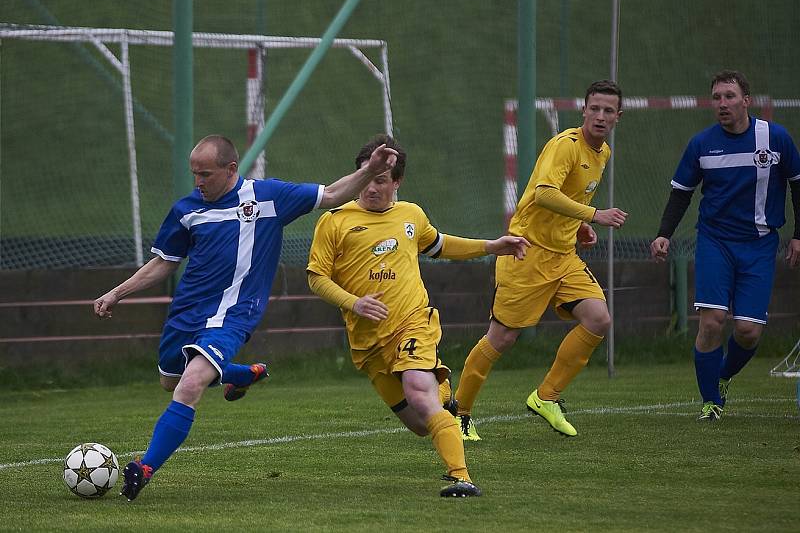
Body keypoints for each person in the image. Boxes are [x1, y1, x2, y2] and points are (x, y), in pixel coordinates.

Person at [93, 134, 399, 501]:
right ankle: (242, 373)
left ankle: (144, 468)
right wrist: (116, 293)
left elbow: (331, 195)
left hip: (234, 315)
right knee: (168, 380)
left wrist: (370, 170)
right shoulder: (187, 209)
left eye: (205, 174)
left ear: (231, 169)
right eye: (194, 174)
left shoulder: (269, 197)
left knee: (188, 387)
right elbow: (165, 262)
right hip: (187, 314)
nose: (198, 182)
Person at [306, 134, 530, 497]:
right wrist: (353, 302)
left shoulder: (411, 214)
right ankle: (444, 395)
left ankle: (462, 477)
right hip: (368, 344)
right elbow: (316, 277)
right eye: (366, 175)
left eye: (381, 179)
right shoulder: (334, 222)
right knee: (420, 423)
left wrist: (491, 246)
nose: (372, 186)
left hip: (413, 323)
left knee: (418, 394)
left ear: (397, 182)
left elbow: (439, 244)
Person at [454, 80, 627, 440]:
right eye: (594, 108)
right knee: (501, 339)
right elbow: (545, 193)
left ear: (618, 117)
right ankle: (460, 413)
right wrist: (594, 215)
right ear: (583, 111)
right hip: (526, 252)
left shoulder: (602, 153)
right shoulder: (565, 146)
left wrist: (579, 226)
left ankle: (546, 396)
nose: (600, 115)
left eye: (608, 110)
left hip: (563, 256)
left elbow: (570, 196)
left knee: (598, 318)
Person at [650, 70, 800, 421]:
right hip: (715, 241)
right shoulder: (702, 144)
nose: (722, 104)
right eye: (716, 98)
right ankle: (710, 403)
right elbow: (680, 194)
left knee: (747, 332)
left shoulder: (775, 138)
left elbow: (798, 185)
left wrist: (798, 235)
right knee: (712, 321)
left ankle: (723, 376)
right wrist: (663, 234)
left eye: (729, 96)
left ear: (746, 100)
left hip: (761, 244)